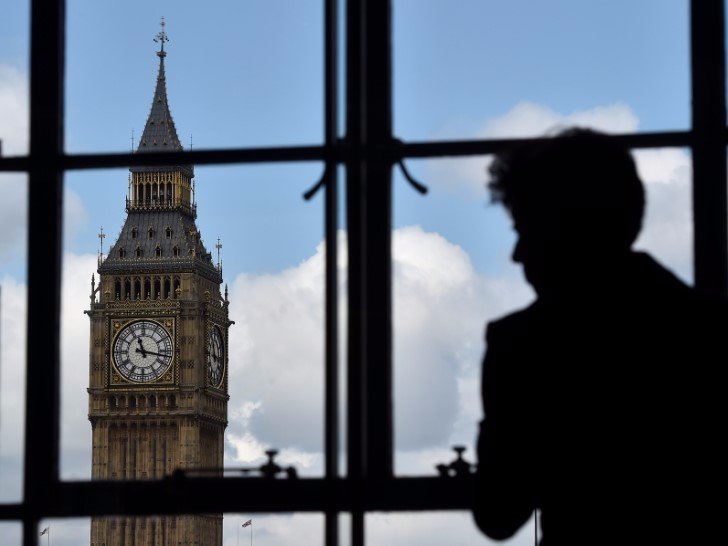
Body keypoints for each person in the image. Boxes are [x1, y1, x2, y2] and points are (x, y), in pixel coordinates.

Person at [472, 128, 725, 545]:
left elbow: (497, 515)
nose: (518, 253)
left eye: (525, 229)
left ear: (563, 231)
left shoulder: (520, 344)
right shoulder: (709, 330)